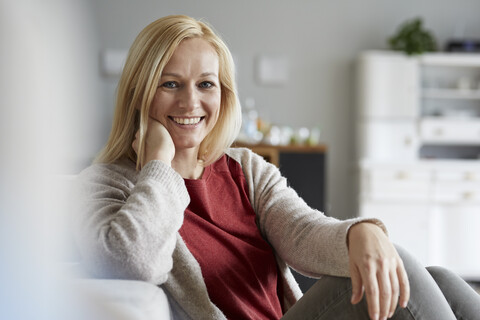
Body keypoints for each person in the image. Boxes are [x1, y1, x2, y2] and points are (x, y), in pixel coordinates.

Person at [75, 15, 480, 320]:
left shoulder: (244, 168)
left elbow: (303, 233)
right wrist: (159, 167)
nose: (190, 103)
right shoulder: (103, 183)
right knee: (405, 267)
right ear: (139, 92)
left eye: (206, 84)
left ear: (223, 94)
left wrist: (362, 232)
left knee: (437, 276)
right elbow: (132, 264)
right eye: (170, 84)